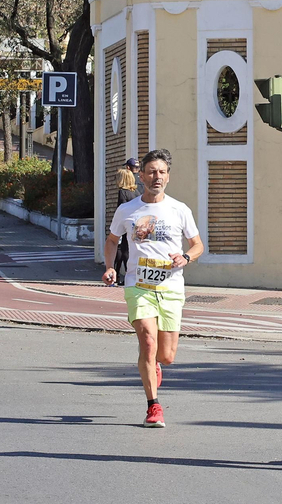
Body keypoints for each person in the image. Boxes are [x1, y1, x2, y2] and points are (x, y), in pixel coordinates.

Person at [102, 150, 203, 429]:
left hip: (171, 287)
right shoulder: (128, 210)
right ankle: (153, 406)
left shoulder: (179, 209)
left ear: (168, 177)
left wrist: (186, 257)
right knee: (147, 341)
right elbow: (112, 241)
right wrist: (110, 267)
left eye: (162, 172)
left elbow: (197, 245)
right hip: (139, 285)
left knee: (166, 356)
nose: (157, 177)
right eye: (151, 172)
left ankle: (155, 365)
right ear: (141, 176)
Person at [112, 159, 140, 277]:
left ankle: (123, 273)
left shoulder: (123, 192)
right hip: (138, 222)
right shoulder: (137, 192)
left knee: (122, 248)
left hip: (126, 223)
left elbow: (122, 208)